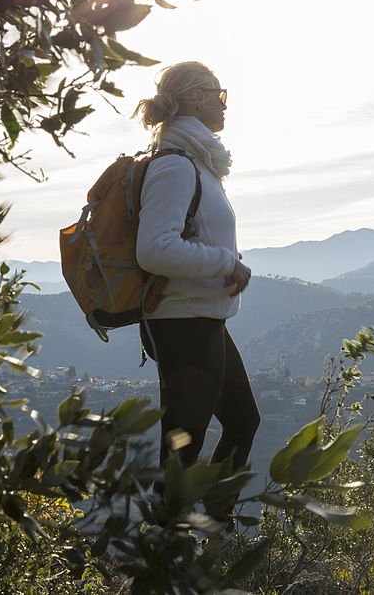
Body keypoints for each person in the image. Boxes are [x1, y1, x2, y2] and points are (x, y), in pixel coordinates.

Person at [132, 61, 260, 485]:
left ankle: (210, 528)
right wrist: (226, 263)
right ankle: (167, 541)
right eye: (217, 95)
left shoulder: (198, 162)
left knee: (242, 422)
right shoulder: (175, 166)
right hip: (182, 322)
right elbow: (154, 249)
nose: (225, 105)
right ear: (191, 98)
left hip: (202, 318)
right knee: (183, 445)